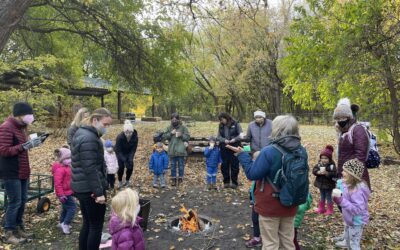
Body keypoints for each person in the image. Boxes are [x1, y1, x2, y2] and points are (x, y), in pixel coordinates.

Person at [234, 115, 306, 250]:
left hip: (270, 205)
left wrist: (242, 155)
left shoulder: (269, 151)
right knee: (287, 241)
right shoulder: (301, 150)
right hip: (291, 201)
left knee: (270, 243)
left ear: (277, 129)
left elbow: (252, 174)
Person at [0, 102, 42, 244]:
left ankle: (18, 228)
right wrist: (23, 146)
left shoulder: (20, 128)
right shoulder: (6, 127)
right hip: (11, 172)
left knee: (22, 201)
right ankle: (8, 233)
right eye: (29, 114)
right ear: (20, 114)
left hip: (23, 171)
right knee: (14, 202)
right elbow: (4, 150)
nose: (31, 117)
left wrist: (31, 143)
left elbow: (20, 148)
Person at [71, 108, 112, 250]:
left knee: (88, 223)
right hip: (90, 189)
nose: (107, 128)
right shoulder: (89, 138)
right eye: (105, 124)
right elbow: (90, 168)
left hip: (82, 187)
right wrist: (99, 192)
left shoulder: (82, 133)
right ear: (95, 120)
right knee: (95, 226)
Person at [332, 159, 370, 249]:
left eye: (345, 171)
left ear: (352, 175)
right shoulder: (347, 183)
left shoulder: (357, 190)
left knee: (353, 244)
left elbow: (357, 209)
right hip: (349, 218)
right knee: (349, 242)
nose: (342, 172)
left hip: (356, 221)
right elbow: (344, 191)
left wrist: (341, 201)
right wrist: (339, 185)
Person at [333, 98, 370, 189]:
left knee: (355, 202)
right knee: (342, 202)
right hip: (344, 177)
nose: (340, 120)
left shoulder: (357, 129)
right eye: (338, 118)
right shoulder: (343, 131)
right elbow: (342, 156)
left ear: (349, 116)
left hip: (355, 180)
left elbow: (360, 156)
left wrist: (351, 179)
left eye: (343, 117)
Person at [52, 147, 76, 235]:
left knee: (66, 208)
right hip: (64, 193)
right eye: (67, 158)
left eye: (70, 158)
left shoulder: (67, 167)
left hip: (68, 191)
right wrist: (61, 195)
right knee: (72, 208)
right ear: (62, 159)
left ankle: (61, 222)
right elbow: (57, 184)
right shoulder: (60, 170)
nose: (70, 160)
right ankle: (66, 224)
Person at [162, 113, 190, 186]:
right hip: (172, 150)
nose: (174, 121)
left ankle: (180, 179)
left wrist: (181, 135)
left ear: (178, 119)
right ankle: (173, 179)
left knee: (181, 166)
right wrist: (171, 133)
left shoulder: (183, 128)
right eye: (172, 119)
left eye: (175, 119)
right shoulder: (168, 128)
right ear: (171, 120)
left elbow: (187, 137)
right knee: (173, 166)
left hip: (181, 150)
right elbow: (164, 137)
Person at [216, 112, 243, 189]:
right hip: (224, 147)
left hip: (234, 147)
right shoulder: (220, 125)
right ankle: (226, 182)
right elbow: (218, 136)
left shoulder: (236, 123)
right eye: (220, 120)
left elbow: (241, 134)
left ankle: (234, 182)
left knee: (235, 165)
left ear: (226, 118)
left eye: (222, 119)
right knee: (224, 165)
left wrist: (234, 139)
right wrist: (224, 140)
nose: (221, 121)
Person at [313, 145, 337, 215]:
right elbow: (314, 170)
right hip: (321, 183)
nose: (324, 160)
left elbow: (334, 174)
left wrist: (327, 173)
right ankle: (321, 208)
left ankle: (330, 209)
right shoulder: (319, 164)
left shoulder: (332, 165)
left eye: (326, 158)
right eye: (322, 158)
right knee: (322, 195)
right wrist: (318, 172)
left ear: (329, 159)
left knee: (328, 196)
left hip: (329, 184)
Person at [115, 120, 138, 189]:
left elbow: (134, 149)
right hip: (120, 153)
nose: (128, 134)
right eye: (126, 133)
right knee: (121, 167)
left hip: (129, 152)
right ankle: (120, 181)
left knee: (130, 166)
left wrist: (130, 158)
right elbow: (118, 150)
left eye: (130, 132)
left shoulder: (135, 137)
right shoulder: (119, 137)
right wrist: (124, 160)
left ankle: (127, 180)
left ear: (132, 131)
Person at [245, 151, 262, 248]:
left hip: (261, 203)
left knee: (259, 220)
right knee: (255, 219)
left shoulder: (262, 172)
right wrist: (251, 199)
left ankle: (258, 238)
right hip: (255, 201)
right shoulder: (256, 173)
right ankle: (257, 235)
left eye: (255, 161)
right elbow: (253, 188)